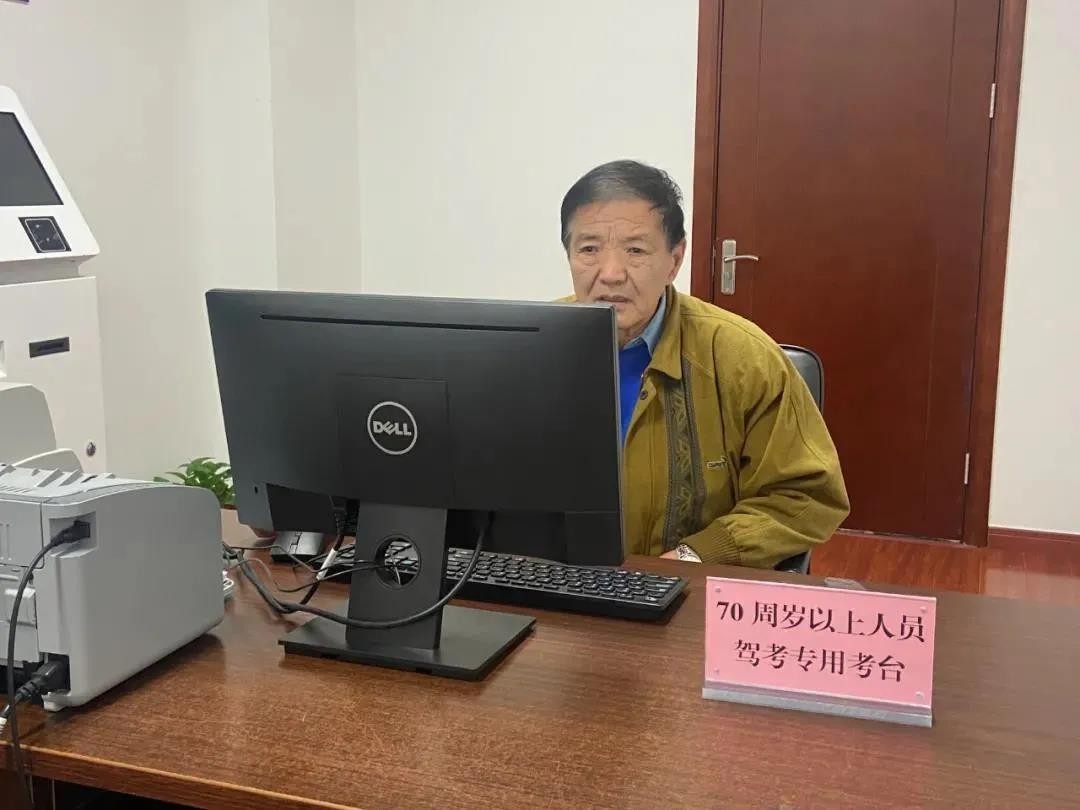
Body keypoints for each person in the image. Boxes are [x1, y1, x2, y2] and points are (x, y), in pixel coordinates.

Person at [561, 160, 849, 567]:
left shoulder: (743, 357)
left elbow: (805, 495)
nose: (610, 273)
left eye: (636, 250)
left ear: (674, 260)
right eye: (589, 249)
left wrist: (695, 556)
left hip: (687, 588)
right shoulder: (528, 350)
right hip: (551, 582)